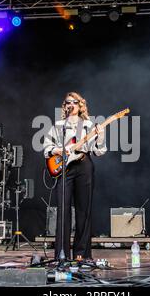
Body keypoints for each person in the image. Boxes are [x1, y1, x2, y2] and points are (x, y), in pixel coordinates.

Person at [43, 92, 107, 261]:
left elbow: (98, 151)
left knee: (83, 210)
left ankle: (82, 254)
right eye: (67, 102)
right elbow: (46, 148)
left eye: (74, 102)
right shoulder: (58, 125)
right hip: (65, 168)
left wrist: (100, 135)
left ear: (80, 105)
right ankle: (61, 255)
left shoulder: (88, 124)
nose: (70, 104)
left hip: (84, 165)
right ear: (65, 106)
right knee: (63, 211)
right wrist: (57, 150)